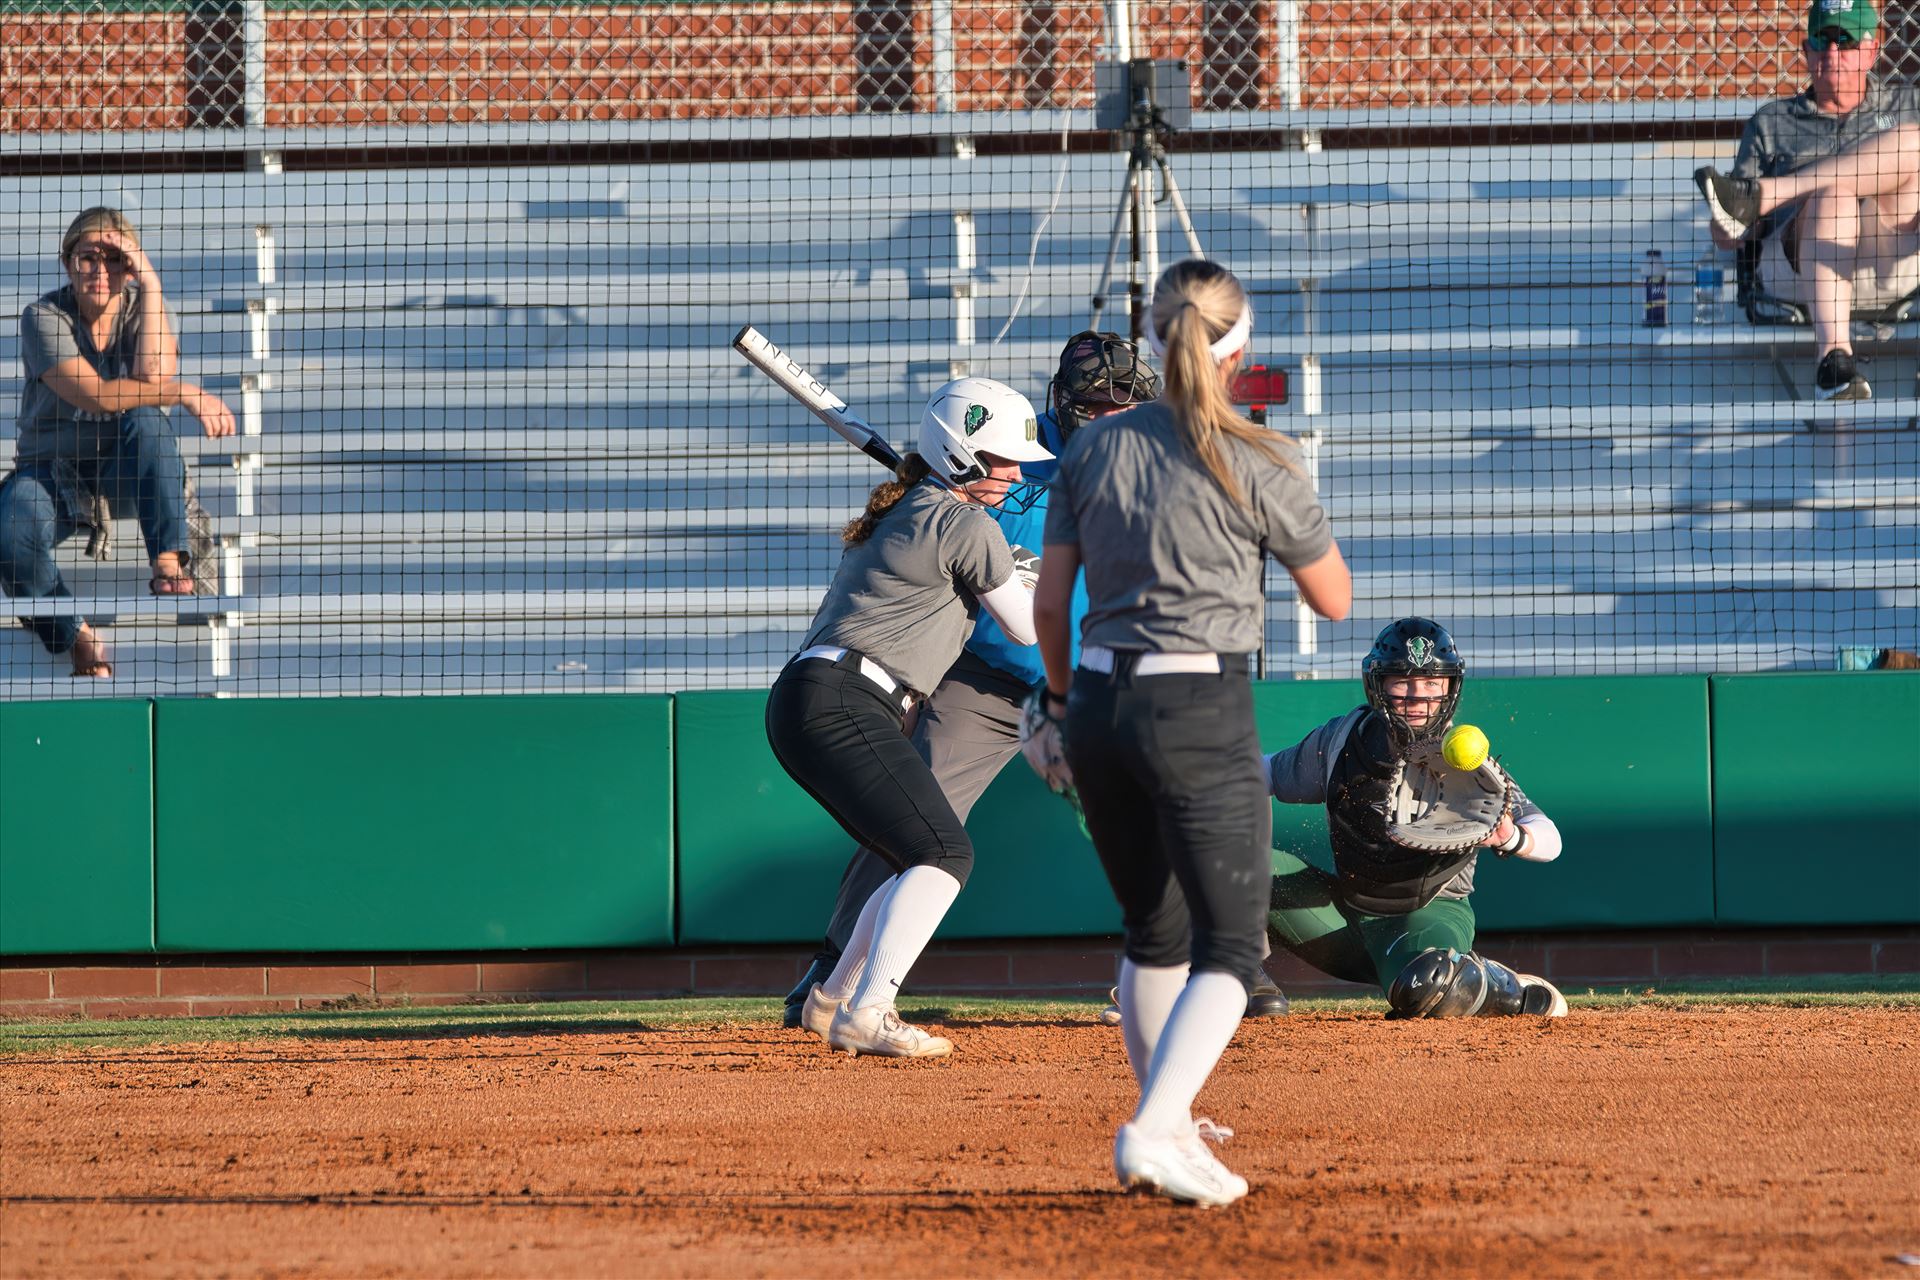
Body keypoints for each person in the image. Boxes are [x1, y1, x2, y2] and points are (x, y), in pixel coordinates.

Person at [782, 334, 1292, 1031]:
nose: (1113, 420)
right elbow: (951, 524)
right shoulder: (1012, 452)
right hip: (988, 678)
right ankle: (835, 972)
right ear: (1067, 405)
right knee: (913, 813)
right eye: (1096, 406)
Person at [1032, 260, 1352, 1207]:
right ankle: (1152, 1128)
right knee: (1229, 946)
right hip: (1197, 704)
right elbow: (1333, 601)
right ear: (1238, 351)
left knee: (1151, 932)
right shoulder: (1260, 455)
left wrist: (1056, 706)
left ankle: (1165, 1122)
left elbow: (1052, 606)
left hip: (1094, 703)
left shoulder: (1090, 450)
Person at [766, 376, 1051, 1058]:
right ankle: (872, 1008)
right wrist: (1027, 569)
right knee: (943, 852)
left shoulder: (913, 510)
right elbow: (1025, 629)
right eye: (1003, 461)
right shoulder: (965, 524)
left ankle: (832, 998)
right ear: (962, 459)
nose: (1015, 474)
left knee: (912, 854)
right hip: (847, 700)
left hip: (811, 699)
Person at [1262, 618, 1569, 1019]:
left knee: (1431, 986)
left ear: (1449, 688)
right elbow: (1264, 773)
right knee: (1227, 862)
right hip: (1341, 919)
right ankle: (1236, 979)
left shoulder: (1470, 767)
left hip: (1427, 917)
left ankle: (1501, 984)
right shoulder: (1341, 740)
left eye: (1431, 683)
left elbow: (1550, 840)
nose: (1417, 696)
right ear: (1377, 685)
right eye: (1401, 682)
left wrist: (1510, 837)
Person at [1, 207, 237, 677]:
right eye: (88, 257)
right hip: (53, 469)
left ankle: (168, 559)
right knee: (9, 529)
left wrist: (151, 284)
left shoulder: (143, 303)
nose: (100, 270)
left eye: (115, 259)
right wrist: (184, 392)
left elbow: (151, 376)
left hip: (125, 469)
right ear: (68, 262)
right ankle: (75, 633)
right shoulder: (42, 316)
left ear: (130, 266)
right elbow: (96, 396)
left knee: (147, 418)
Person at [1693, 0, 1919, 401]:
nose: (1832, 52)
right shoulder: (1771, 122)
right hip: (1797, 273)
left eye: (1845, 40)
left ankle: (1764, 195)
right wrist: (1724, 226)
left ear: (1871, 49)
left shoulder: (1905, 107)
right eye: (1822, 39)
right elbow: (1730, 236)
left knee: (1915, 139)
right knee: (1834, 197)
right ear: (1806, 50)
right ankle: (1834, 359)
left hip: (1890, 265)